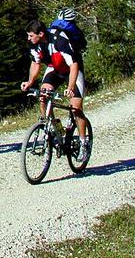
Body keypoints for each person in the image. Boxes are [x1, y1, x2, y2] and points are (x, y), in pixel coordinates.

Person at [20, 15, 90, 159]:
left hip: (72, 71)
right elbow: (35, 63)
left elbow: (74, 65)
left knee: (76, 109)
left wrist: (70, 87)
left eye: (31, 36)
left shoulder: (60, 39)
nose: (28, 39)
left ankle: (84, 143)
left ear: (41, 34)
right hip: (54, 69)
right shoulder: (34, 43)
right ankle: (54, 129)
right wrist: (30, 82)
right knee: (43, 96)